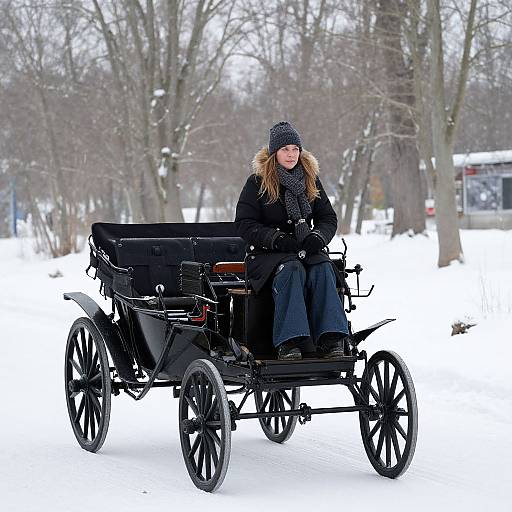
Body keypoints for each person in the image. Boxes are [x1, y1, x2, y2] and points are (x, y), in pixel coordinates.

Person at [234, 121, 349, 360]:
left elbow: (328, 217)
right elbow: (245, 224)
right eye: (285, 149)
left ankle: (331, 338)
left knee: (323, 267)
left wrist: (318, 237)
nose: (291, 154)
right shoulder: (257, 183)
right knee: (292, 269)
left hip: (304, 249)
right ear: (274, 152)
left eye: (295, 149)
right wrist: (276, 239)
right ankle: (289, 342)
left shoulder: (310, 180)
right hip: (267, 255)